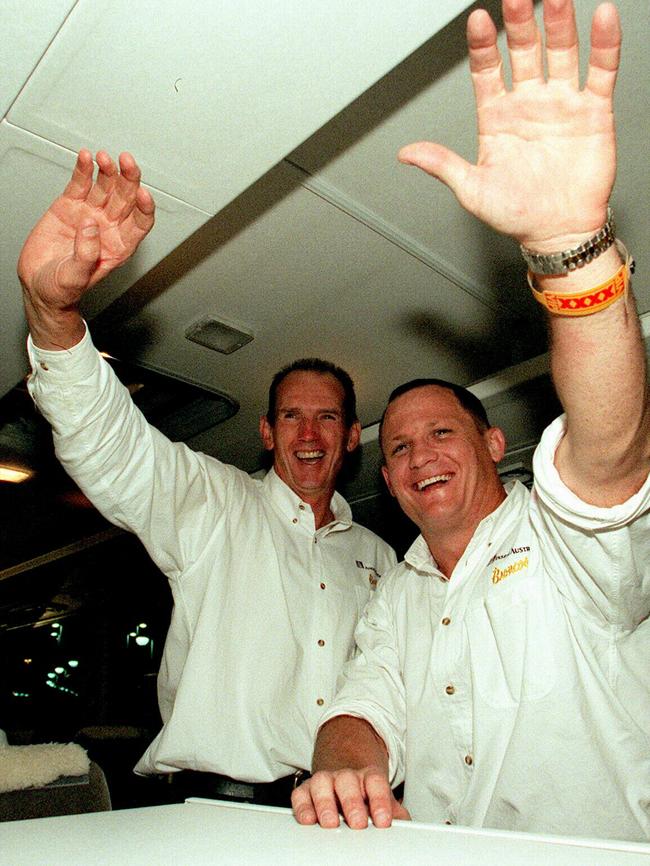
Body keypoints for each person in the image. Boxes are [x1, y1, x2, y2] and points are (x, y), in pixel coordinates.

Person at [291, 0, 650, 843]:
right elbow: (360, 706)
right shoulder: (398, 597)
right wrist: (343, 761)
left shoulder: (565, 538)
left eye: (442, 432)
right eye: (401, 447)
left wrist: (570, 246)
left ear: (494, 444)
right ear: (386, 481)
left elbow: (611, 447)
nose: (419, 455)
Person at [17, 155, 396, 805]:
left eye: (328, 418)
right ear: (268, 433)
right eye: (291, 418)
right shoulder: (215, 500)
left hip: (344, 815)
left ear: (354, 435)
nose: (309, 435)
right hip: (218, 805)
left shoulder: (381, 559)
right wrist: (55, 317)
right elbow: (118, 451)